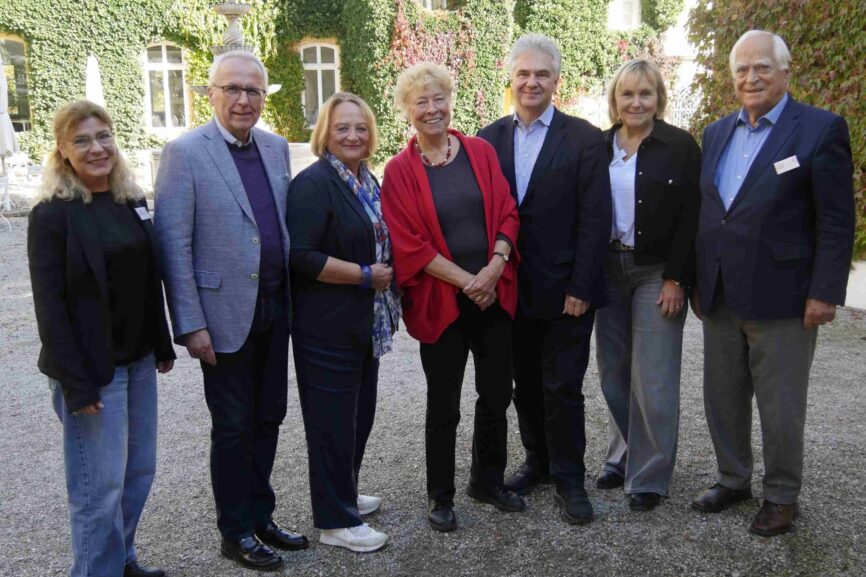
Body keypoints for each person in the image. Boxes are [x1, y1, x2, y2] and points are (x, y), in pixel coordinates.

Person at [691, 30, 855, 536]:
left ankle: (782, 496)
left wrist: (825, 292)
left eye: (762, 67)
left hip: (784, 297)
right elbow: (711, 213)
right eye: (742, 68)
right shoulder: (716, 133)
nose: (751, 77)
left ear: (786, 72)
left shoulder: (820, 129)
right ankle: (732, 478)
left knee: (781, 406)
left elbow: (836, 219)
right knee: (722, 396)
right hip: (719, 293)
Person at [154, 51, 307, 571]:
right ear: (211, 93)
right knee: (234, 425)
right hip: (221, 316)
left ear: (265, 97)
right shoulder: (185, 152)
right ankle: (234, 529)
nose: (244, 100)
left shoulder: (275, 146)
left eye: (254, 91)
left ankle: (261, 515)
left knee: (271, 417)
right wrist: (190, 324)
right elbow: (173, 243)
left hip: (275, 307)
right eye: (233, 89)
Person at [27, 100, 176, 577]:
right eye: (83, 140)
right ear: (63, 151)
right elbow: (49, 307)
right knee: (98, 489)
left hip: (137, 362)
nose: (97, 148)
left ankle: (121, 559)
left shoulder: (130, 200)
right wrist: (77, 384)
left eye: (103, 136)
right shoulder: (53, 216)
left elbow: (147, 278)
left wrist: (162, 343)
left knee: (138, 473)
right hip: (93, 372)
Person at [381, 62, 523, 532]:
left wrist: (495, 267)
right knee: (443, 404)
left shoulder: (480, 152)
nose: (432, 109)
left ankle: (488, 480)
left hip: (494, 295)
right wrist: (470, 281)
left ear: (450, 101)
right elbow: (409, 246)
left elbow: (507, 213)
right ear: (407, 111)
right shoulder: (400, 172)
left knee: (496, 393)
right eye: (420, 101)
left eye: (438, 98)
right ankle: (440, 494)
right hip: (442, 304)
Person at [478, 34, 611, 525]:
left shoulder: (585, 138)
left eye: (542, 74)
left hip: (565, 292)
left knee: (564, 387)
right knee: (524, 386)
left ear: (557, 80)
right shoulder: (488, 139)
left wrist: (581, 287)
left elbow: (595, 220)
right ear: (510, 78)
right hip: (508, 290)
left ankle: (570, 478)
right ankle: (538, 462)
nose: (532, 82)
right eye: (523, 74)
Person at [286, 92, 399, 552]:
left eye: (360, 128)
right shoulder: (314, 184)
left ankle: (344, 495)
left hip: (364, 324)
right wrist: (365, 275)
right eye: (342, 128)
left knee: (358, 417)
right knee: (332, 424)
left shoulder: (366, 179)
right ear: (325, 135)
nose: (353, 135)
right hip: (326, 326)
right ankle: (335, 521)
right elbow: (300, 256)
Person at [593, 59, 701, 511]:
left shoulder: (679, 146)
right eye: (627, 94)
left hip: (657, 271)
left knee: (653, 378)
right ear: (615, 100)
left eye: (645, 94)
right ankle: (623, 453)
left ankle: (650, 477)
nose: (636, 102)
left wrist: (677, 277)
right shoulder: (598, 147)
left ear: (659, 98)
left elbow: (691, 218)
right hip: (608, 271)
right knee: (614, 375)